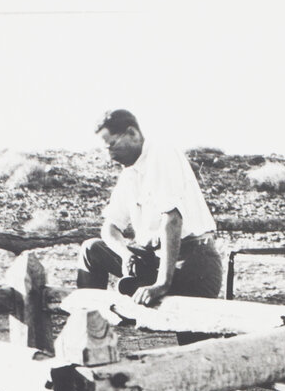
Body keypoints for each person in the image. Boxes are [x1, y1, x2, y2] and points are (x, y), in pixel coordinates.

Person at [77, 109, 222, 307]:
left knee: (194, 336)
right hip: (154, 260)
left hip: (192, 262)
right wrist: (124, 253)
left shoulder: (162, 154)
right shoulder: (130, 173)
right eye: (105, 150)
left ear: (132, 133)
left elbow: (172, 219)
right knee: (92, 250)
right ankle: (88, 325)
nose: (110, 155)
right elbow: (110, 226)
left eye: (112, 146)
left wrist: (161, 284)